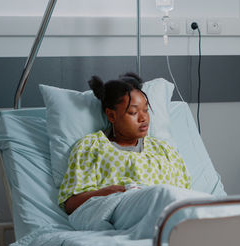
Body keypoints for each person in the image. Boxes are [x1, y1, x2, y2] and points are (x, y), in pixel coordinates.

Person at [58, 73, 191, 215]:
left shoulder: (164, 151)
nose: (143, 118)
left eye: (146, 110)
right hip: (122, 214)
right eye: (133, 112)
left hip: (168, 215)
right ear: (111, 115)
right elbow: (71, 204)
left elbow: (186, 197)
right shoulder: (91, 148)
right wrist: (107, 192)